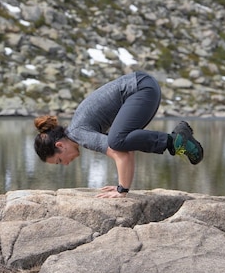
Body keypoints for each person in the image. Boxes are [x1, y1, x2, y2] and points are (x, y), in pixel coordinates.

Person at [34, 70, 203, 198]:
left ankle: (174, 141)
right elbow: (125, 151)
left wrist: (121, 190)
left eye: (59, 161)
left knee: (117, 140)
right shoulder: (79, 129)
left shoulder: (79, 133)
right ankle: (176, 142)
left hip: (140, 89)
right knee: (120, 140)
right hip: (144, 86)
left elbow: (119, 153)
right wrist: (121, 187)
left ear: (60, 145)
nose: (65, 164)